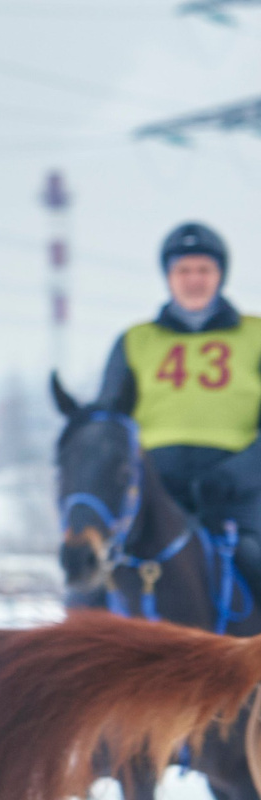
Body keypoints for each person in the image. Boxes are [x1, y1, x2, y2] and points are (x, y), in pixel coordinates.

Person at [98, 221, 261, 577]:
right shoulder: (135, 341)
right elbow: (109, 427)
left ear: (221, 275)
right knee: (101, 580)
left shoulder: (255, 335)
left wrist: (234, 477)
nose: (194, 280)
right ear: (168, 277)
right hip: (154, 490)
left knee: (253, 563)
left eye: (204, 269)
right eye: (183, 270)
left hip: (237, 494)